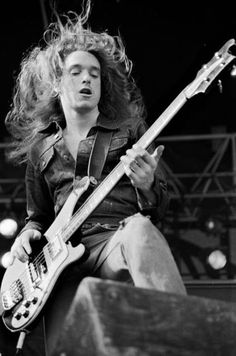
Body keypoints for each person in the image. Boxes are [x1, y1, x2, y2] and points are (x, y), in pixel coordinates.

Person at [4, 1, 186, 354]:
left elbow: (162, 208)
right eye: (76, 71)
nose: (86, 78)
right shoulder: (42, 150)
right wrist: (25, 235)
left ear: (103, 85)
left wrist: (147, 185)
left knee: (139, 231)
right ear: (58, 84)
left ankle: (182, 335)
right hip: (60, 265)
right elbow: (37, 217)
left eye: (94, 73)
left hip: (114, 242)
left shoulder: (128, 132)